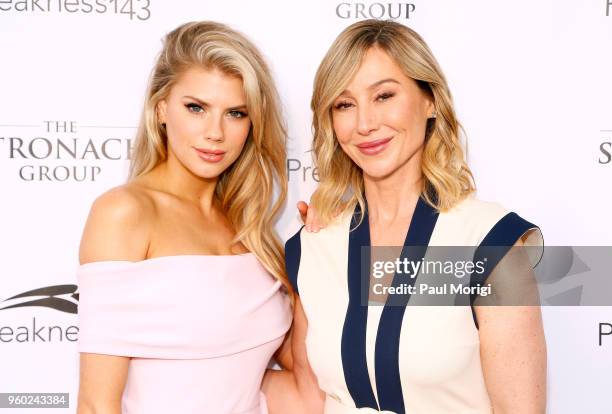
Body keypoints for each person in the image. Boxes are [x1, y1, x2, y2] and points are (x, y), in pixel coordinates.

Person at [264, 19, 547, 414]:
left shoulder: (489, 242)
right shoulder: (313, 245)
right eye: (345, 105)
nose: (365, 123)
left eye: (384, 96)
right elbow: (305, 396)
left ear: (429, 100)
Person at [76, 21, 292, 414]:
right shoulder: (126, 213)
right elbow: (95, 404)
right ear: (161, 109)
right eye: (196, 108)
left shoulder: (251, 229)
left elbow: (301, 371)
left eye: (236, 113)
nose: (215, 132)